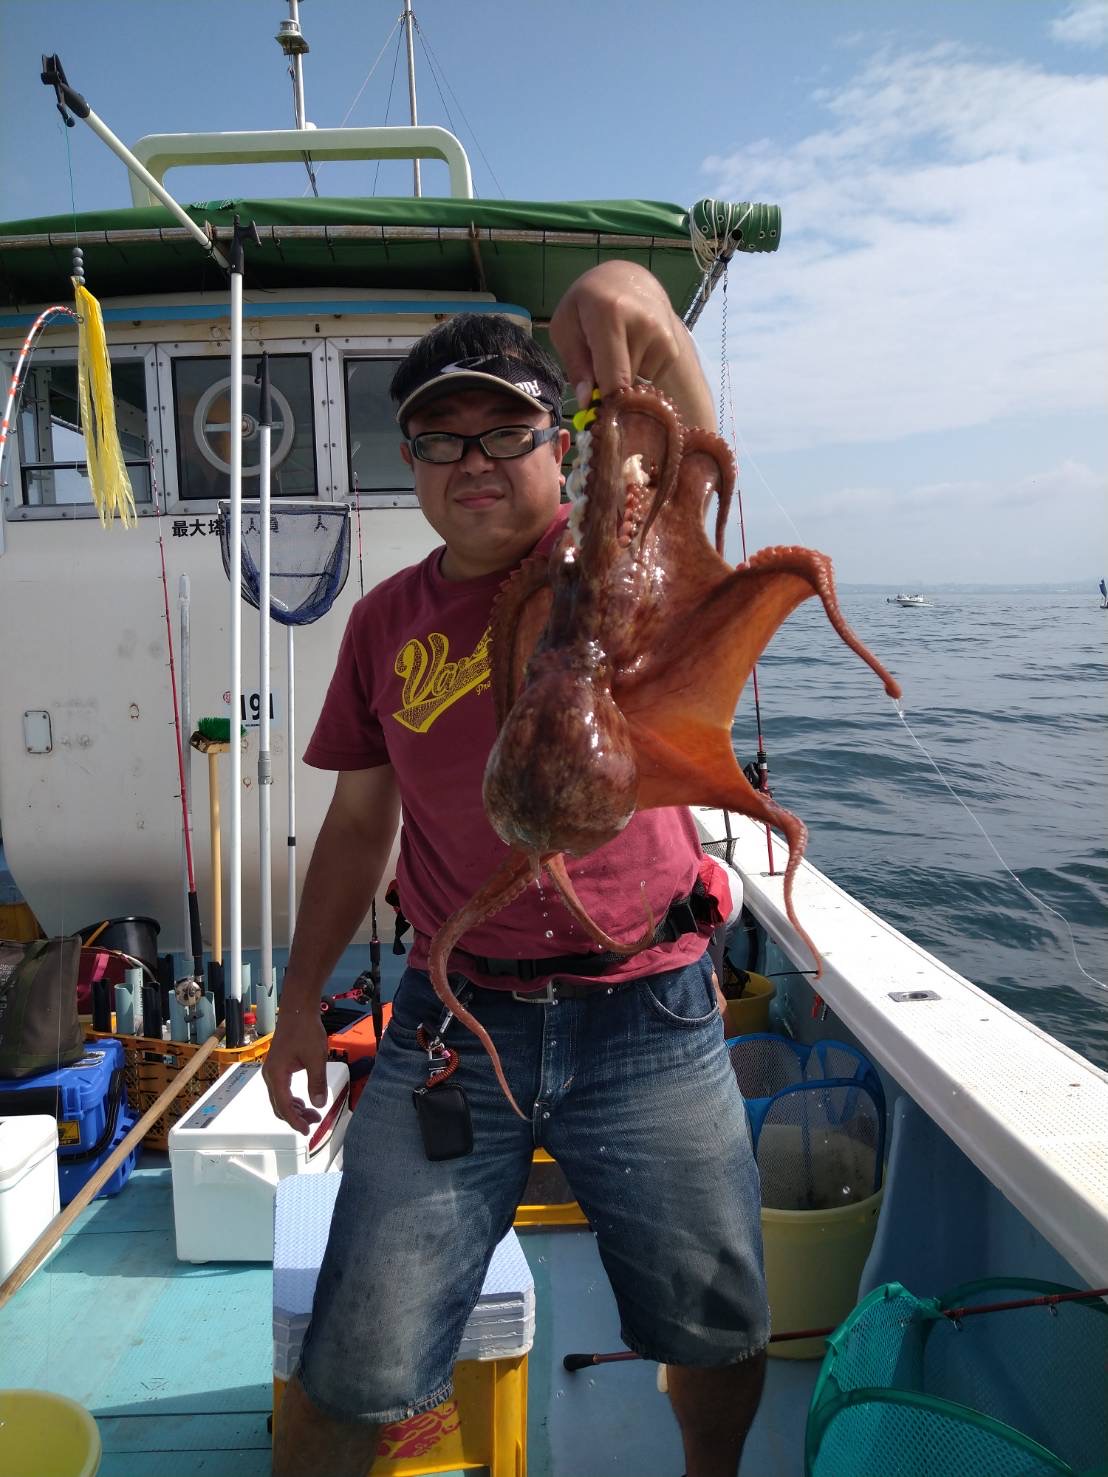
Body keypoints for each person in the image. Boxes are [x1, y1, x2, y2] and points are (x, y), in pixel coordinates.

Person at [265, 261, 769, 1477]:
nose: (471, 458)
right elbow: (353, 829)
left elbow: (690, 466)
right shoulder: (384, 623)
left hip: (647, 1009)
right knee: (355, 1363)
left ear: (560, 443)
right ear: (410, 462)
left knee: (715, 1323)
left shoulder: (616, 574)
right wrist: (292, 1008)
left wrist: (635, 301)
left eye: (505, 429)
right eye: (438, 438)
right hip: (453, 1023)